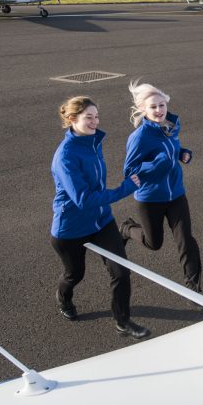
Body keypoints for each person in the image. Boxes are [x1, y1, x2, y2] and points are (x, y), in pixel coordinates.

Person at [50, 96, 148, 339]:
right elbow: (83, 198)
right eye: (88, 117)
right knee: (75, 274)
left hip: (102, 221)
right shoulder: (66, 156)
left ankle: (123, 321)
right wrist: (125, 189)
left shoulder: (93, 142)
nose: (95, 122)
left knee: (121, 271)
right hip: (71, 229)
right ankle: (64, 298)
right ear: (72, 119)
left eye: (96, 116)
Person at [120, 82, 203, 294]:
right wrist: (156, 163)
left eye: (161, 105)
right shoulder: (139, 138)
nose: (159, 110)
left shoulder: (172, 126)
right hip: (150, 198)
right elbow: (130, 170)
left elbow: (173, 150)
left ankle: (193, 287)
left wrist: (183, 153)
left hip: (176, 193)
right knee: (153, 243)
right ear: (143, 110)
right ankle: (127, 228)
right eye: (153, 107)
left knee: (186, 239)